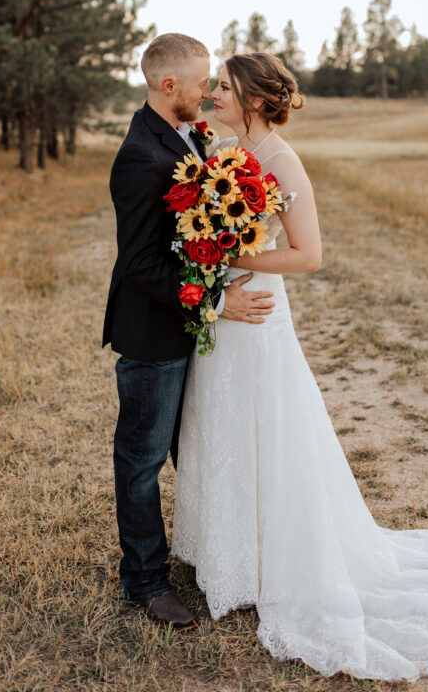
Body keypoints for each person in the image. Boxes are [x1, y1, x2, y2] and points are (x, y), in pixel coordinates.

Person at [171, 51, 428, 680]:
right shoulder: (216, 153)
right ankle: (229, 554)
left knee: (268, 427)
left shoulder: (279, 161)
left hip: (260, 308)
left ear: (255, 99)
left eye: (224, 86)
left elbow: (310, 255)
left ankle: (279, 559)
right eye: (214, 84)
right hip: (227, 309)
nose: (214, 91)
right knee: (221, 424)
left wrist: (234, 255)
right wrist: (213, 271)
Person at [103, 33, 276, 631]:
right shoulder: (138, 156)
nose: (210, 90)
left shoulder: (189, 134)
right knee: (142, 458)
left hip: (193, 331)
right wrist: (217, 299)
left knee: (197, 451)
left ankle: (210, 555)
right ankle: (146, 582)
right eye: (203, 81)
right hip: (155, 334)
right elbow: (141, 264)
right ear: (168, 86)